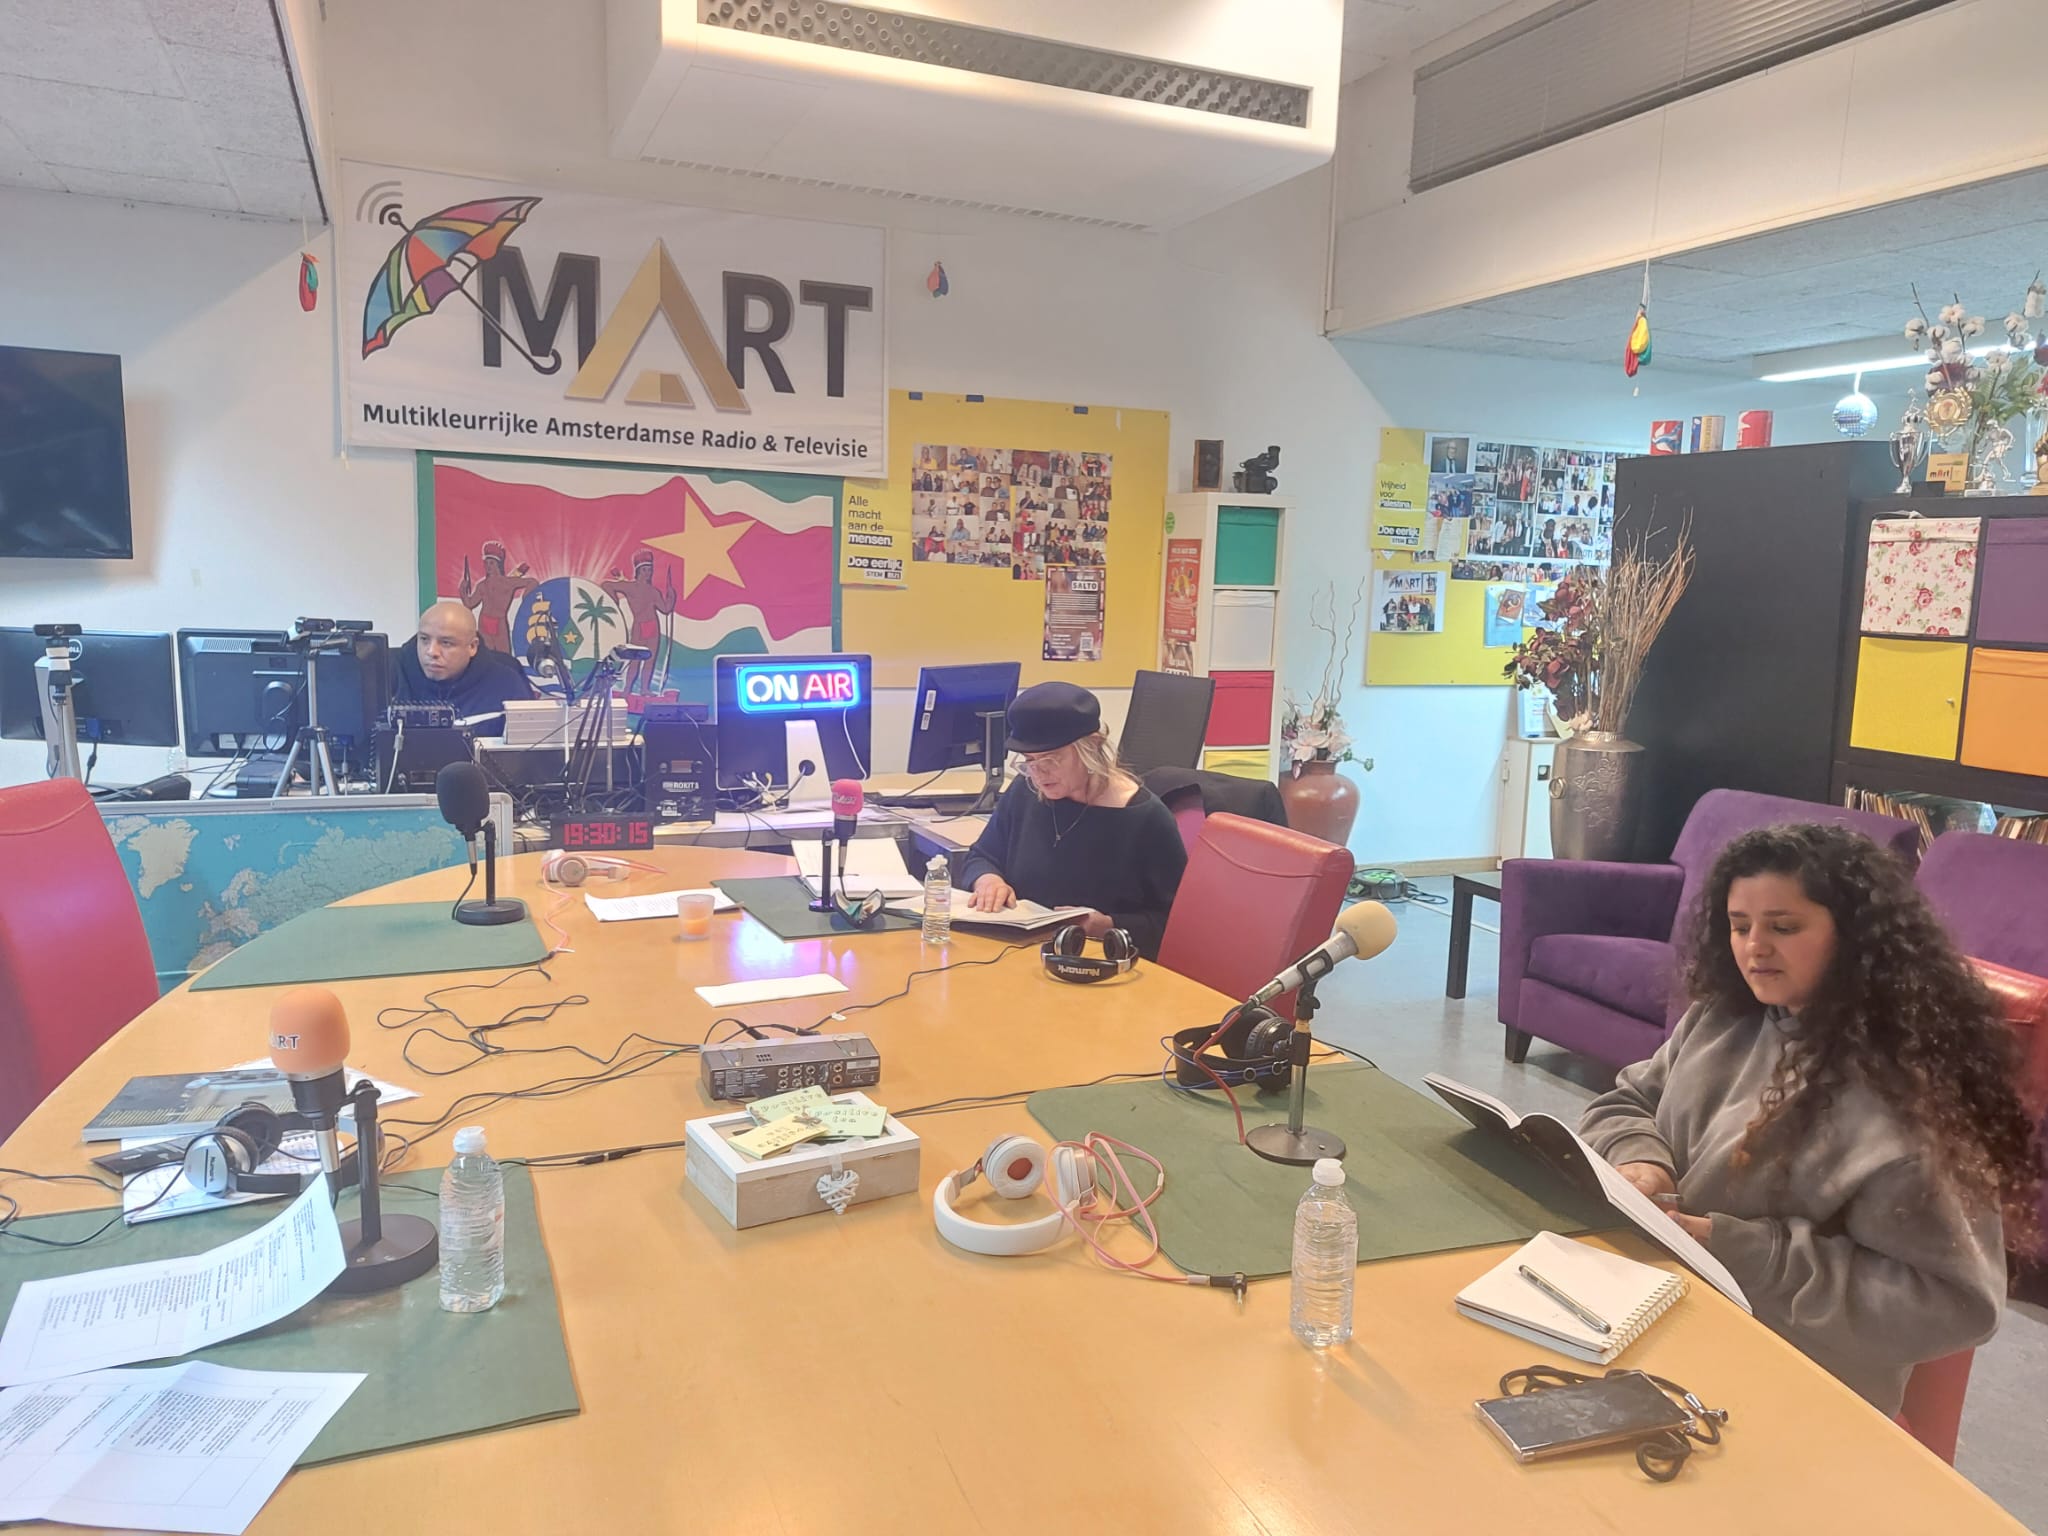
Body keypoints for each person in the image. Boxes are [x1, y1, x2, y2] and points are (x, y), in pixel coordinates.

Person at [1579, 825, 2037, 1415]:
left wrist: (1738, 1250)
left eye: (1784, 927)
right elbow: (1626, 1102)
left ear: (1854, 936)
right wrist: (1643, 1161)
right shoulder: (1722, 1017)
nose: (1754, 948)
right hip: (1669, 1305)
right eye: (1739, 926)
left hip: (1795, 1377)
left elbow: (1953, 1305)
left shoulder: (1907, 1106)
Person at [958, 682, 1187, 960]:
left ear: (1092, 746)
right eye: (1029, 761)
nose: (1039, 774)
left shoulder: (1146, 819)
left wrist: (1107, 926)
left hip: (1098, 962)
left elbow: (1175, 925)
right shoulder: (1025, 791)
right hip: (1018, 952)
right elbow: (981, 855)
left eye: (1051, 759)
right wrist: (988, 880)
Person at [394, 600, 536, 735]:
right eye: (424, 639)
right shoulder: (391, 674)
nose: (432, 652)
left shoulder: (507, 683)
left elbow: (529, 747)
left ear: (472, 646)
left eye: (446, 643)